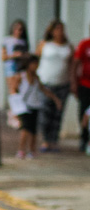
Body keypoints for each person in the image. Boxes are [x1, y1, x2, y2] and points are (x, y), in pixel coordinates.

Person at [35, 19, 73, 152]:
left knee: (58, 114)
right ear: (51, 31)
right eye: (57, 29)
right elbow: (35, 61)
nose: (60, 32)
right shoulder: (44, 44)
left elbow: (71, 66)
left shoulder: (68, 46)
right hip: (46, 83)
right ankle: (45, 140)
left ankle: (53, 141)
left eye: (62, 29)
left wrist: (73, 83)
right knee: (45, 112)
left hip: (62, 83)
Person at [9, 54, 57, 160]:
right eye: (34, 63)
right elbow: (13, 91)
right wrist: (15, 107)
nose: (36, 66)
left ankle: (32, 150)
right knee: (25, 129)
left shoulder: (36, 77)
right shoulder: (20, 76)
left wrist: (55, 99)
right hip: (24, 107)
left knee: (33, 130)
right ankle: (21, 150)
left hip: (35, 105)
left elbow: (43, 89)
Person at [69, 23, 90, 154]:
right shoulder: (84, 44)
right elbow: (75, 63)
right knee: (84, 112)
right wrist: (73, 82)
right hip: (85, 84)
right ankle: (84, 137)